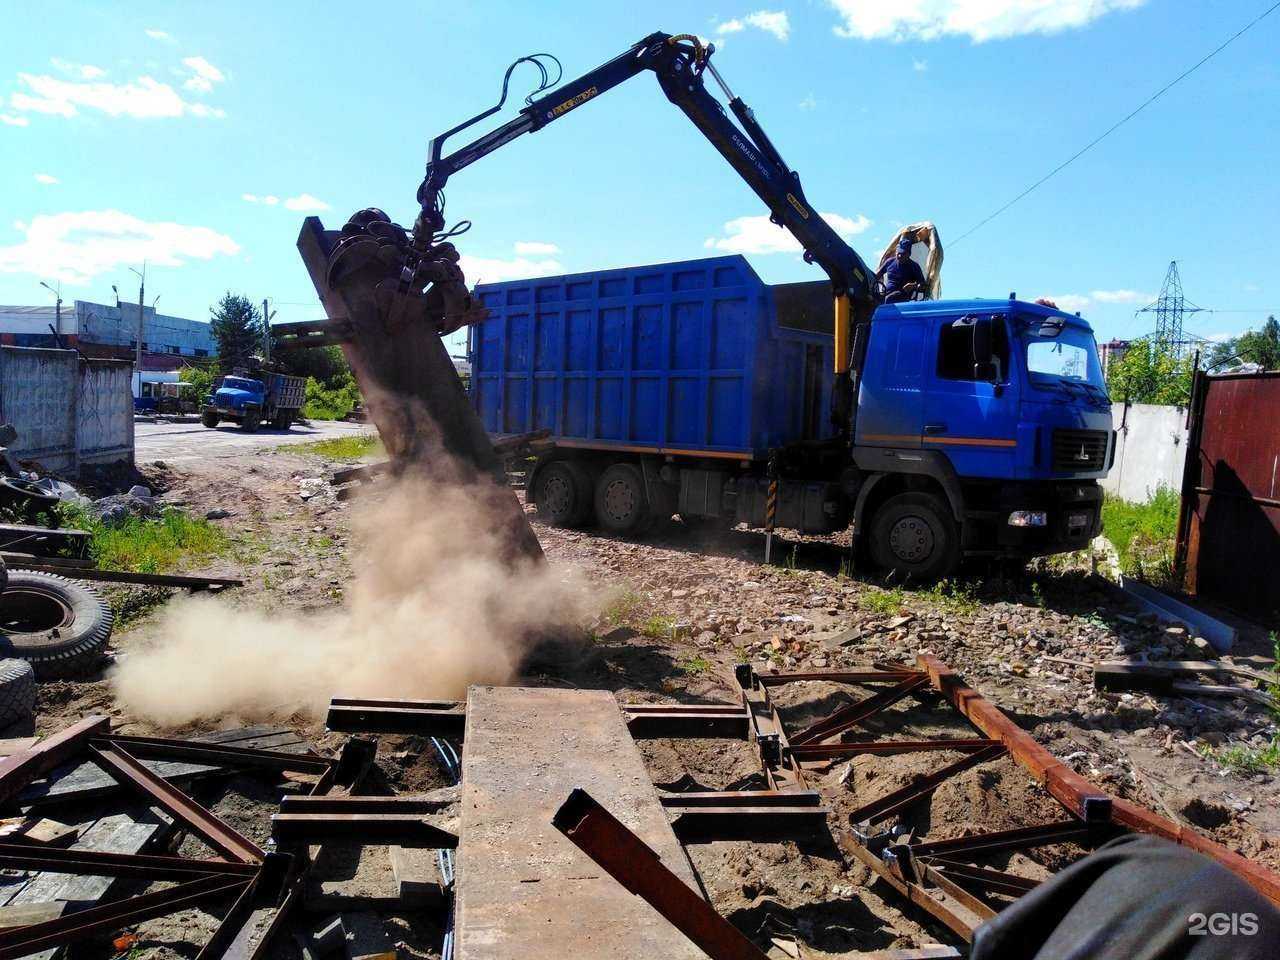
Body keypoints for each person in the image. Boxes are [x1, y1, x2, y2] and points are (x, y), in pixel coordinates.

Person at [878, 237, 926, 303]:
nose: (900, 256)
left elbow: (923, 285)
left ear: (909, 254)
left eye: (903, 254)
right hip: (886, 294)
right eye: (898, 252)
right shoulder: (889, 262)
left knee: (889, 299)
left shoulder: (914, 266)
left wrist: (913, 285)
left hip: (902, 297)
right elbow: (877, 275)